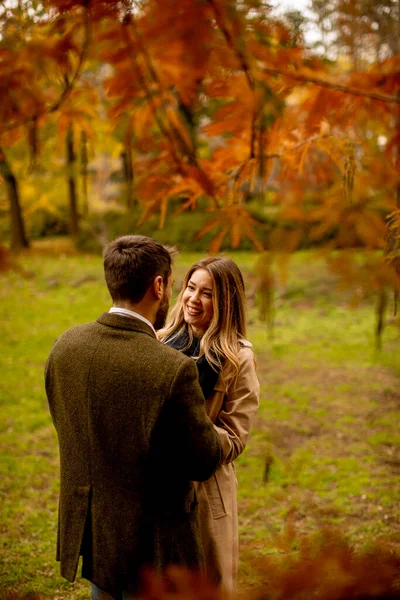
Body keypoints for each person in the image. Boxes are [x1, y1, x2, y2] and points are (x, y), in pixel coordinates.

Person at [45, 235, 223, 600]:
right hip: (156, 548)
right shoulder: (171, 368)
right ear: (158, 285)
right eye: (173, 282)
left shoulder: (65, 346)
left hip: (97, 536)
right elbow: (202, 460)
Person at [158, 256, 260, 597]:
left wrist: (190, 431)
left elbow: (235, 438)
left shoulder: (238, 358)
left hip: (205, 487)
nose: (193, 299)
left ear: (226, 302)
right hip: (156, 483)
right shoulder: (157, 342)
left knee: (207, 585)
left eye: (207, 293)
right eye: (190, 288)